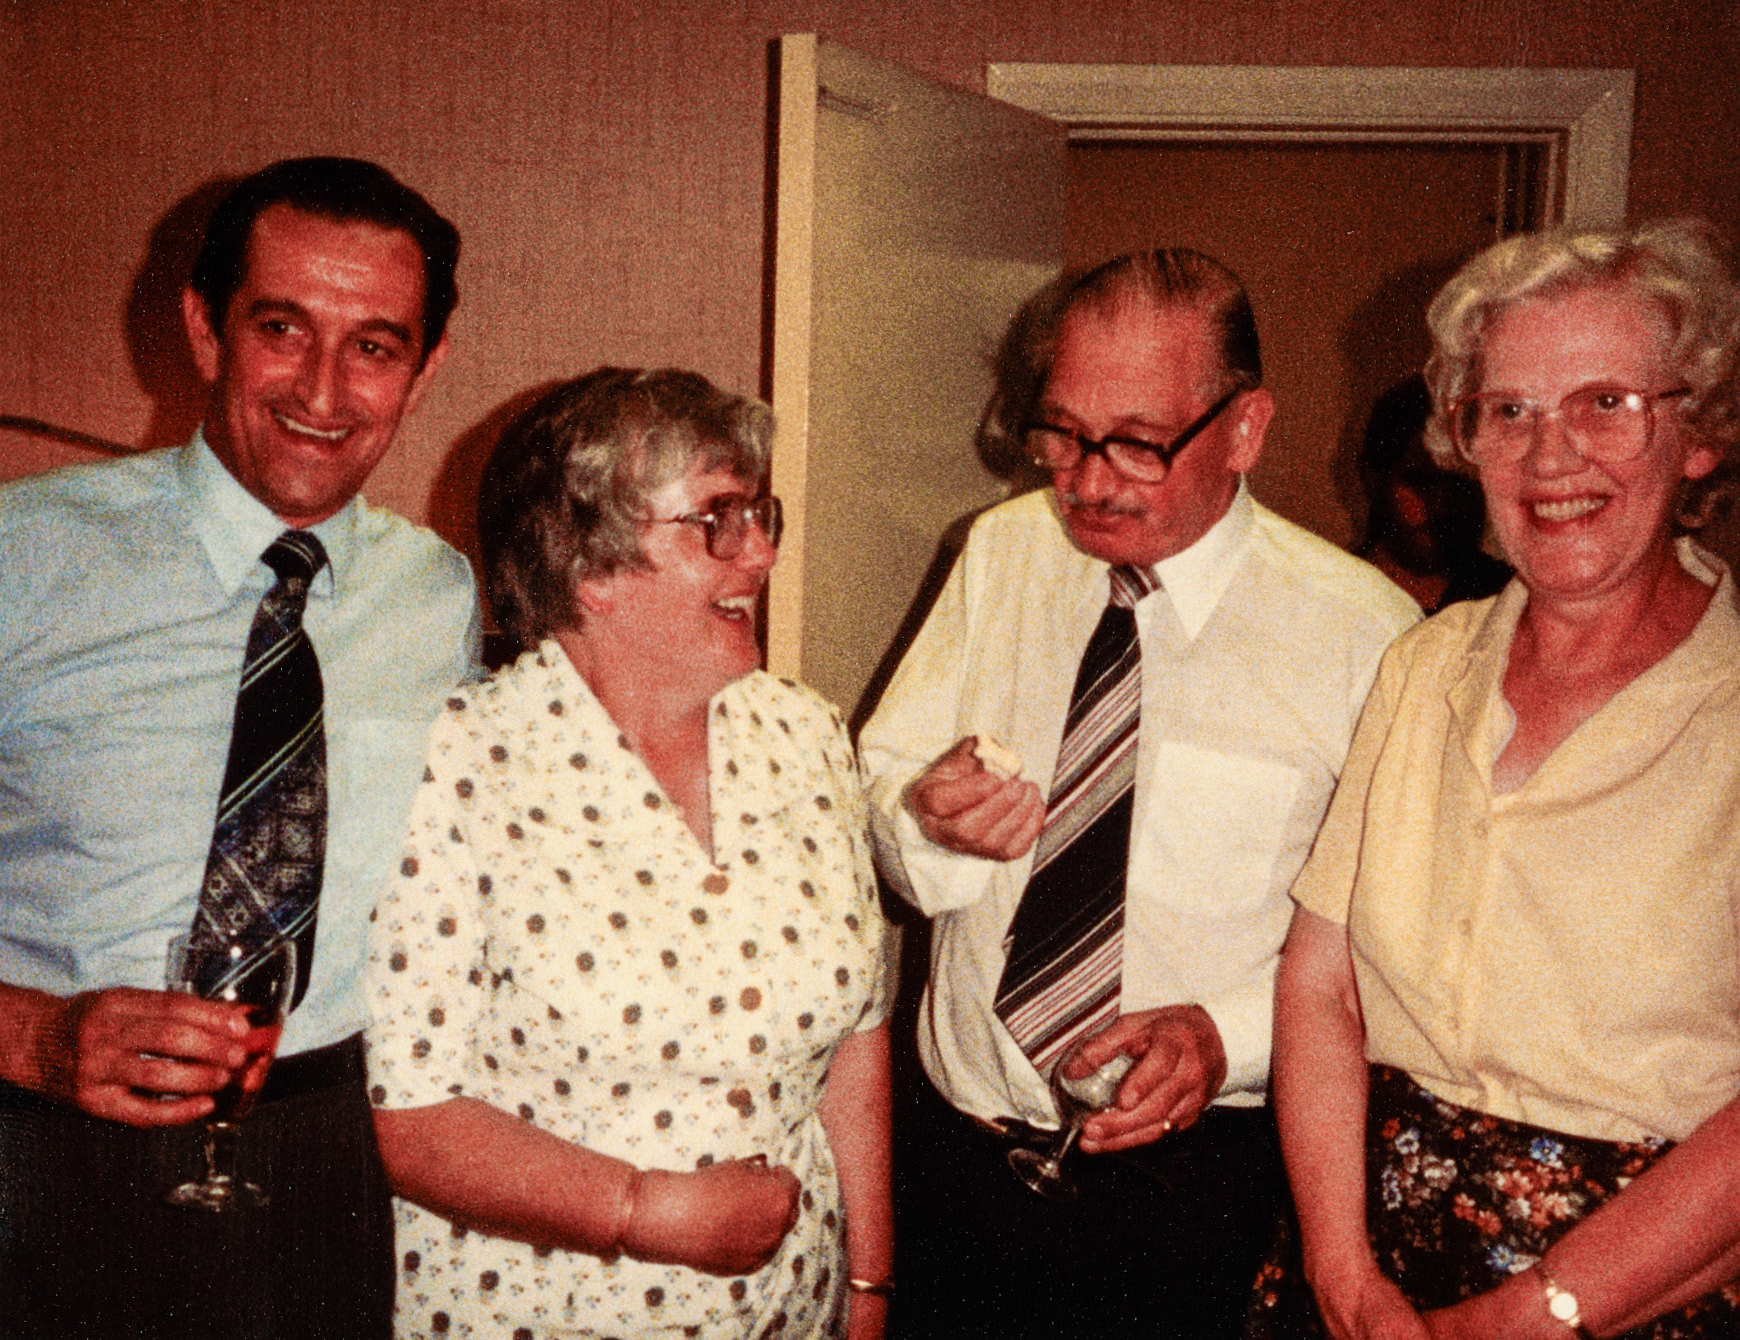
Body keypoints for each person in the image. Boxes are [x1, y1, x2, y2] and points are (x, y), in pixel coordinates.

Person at [858, 249, 1419, 1338]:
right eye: (1060, 434)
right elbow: (880, 793)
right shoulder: (1001, 553)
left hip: (1195, 1195)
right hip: (956, 1164)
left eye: (1137, 443)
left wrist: (1229, 1038)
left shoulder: (1368, 638)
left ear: (1245, 430)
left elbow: (1388, 951)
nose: (1089, 479)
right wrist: (924, 817)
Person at [0, 156, 480, 1339]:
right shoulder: (24, 557)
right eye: (283, 327)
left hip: (328, 1156)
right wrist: (33, 1036)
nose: (325, 387)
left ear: (423, 372)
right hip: (39, 1148)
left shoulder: (444, 595)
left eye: (374, 344)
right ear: (205, 330)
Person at [1271, 219, 1740, 1339]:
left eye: (1606, 403)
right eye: (1509, 411)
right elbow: (1319, 986)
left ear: (1702, 434)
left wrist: (1541, 1310)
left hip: (1633, 1292)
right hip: (1358, 1272)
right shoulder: (1424, 661)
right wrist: (1342, 1276)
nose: (1552, 454)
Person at [366, 367, 894, 1340]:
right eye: (718, 519)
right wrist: (646, 1209)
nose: (762, 552)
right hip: (547, 1311)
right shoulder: (457, 762)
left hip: (793, 1310)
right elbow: (415, 1117)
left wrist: (868, 1289)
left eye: (758, 511)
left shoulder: (808, 734)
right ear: (591, 567)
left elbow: (854, 1040)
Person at [1355, 374, 1512, 614]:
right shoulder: (1341, 595)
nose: (1441, 505)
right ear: (1374, 479)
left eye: (1459, 481)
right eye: (1420, 482)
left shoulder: (1514, 601)